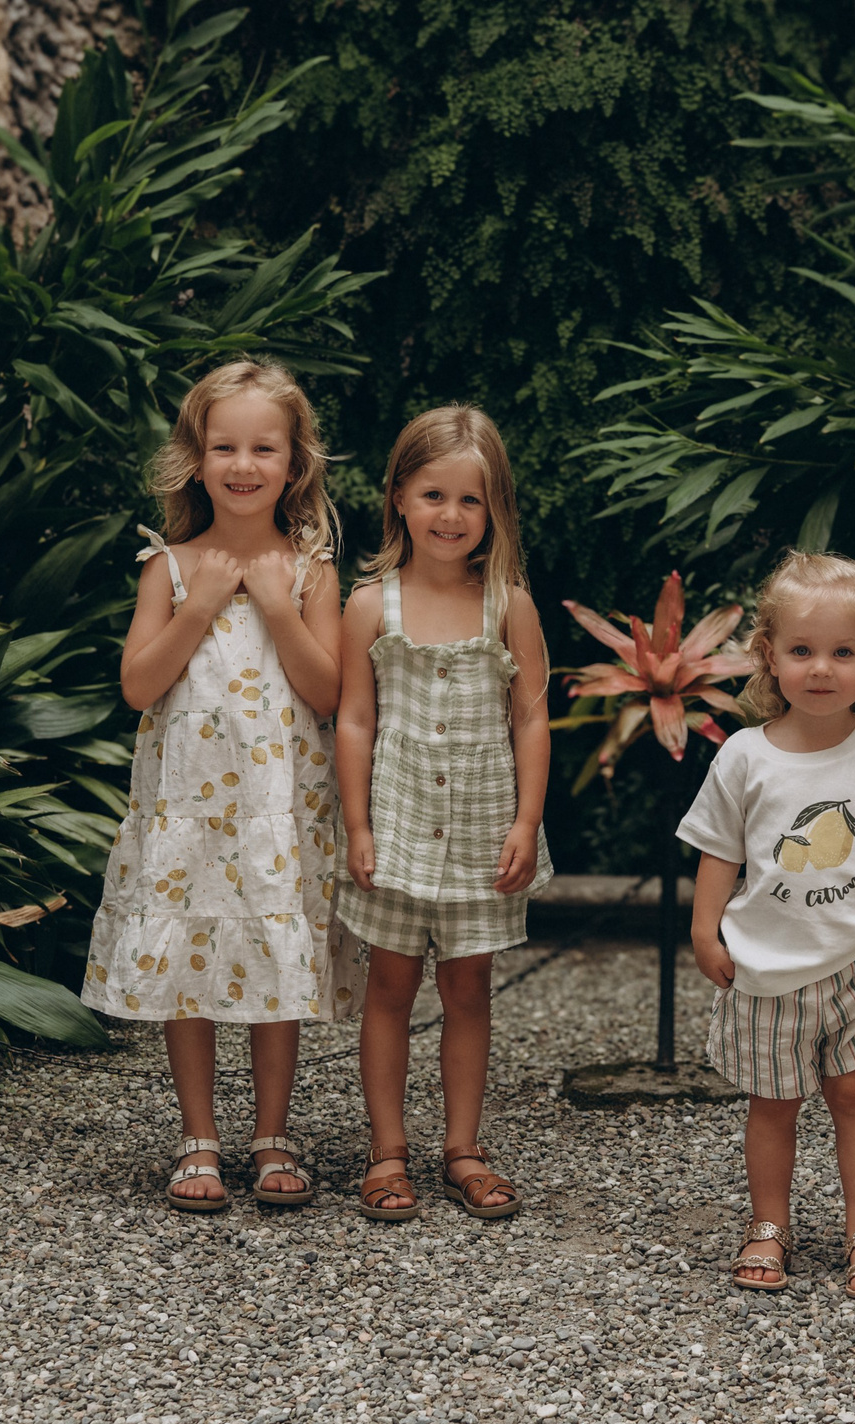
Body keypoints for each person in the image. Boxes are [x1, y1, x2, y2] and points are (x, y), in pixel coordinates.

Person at [81, 360, 345, 1212]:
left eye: (263, 447)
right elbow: (137, 684)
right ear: (196, 459)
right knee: (185, 966)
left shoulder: (309, 570)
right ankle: (199, 1137)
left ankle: (273, 1135)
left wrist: (275, 605)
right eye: (224, 445)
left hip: (276, 808)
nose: (243, 463)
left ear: (294, 462)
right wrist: (198, 607)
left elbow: (329, 690)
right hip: (188, 809)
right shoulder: (169, 564)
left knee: (274, 957)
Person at [679, 550, 855, 1300]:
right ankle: (768, 1223)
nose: (822, 669)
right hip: (769, 966)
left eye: (843, 651)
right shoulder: (744, 757)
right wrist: (706, 930)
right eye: (802, 650)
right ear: (770, 655)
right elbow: (718, 850)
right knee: (773, 1103)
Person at [334, 406, 553, 1221]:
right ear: (396, 496)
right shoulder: (369, 606)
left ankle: (463, 1147)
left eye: (471, 499)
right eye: (433, 494)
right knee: (389, 987)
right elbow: (354, 719)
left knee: (469, 989)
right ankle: (387, 1151)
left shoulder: (508, 604)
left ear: (495, 509)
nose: (451, 516)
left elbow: (530, 718)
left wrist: (526, 822)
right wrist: (356, 825)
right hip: (393, 827)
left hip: (480, 833)